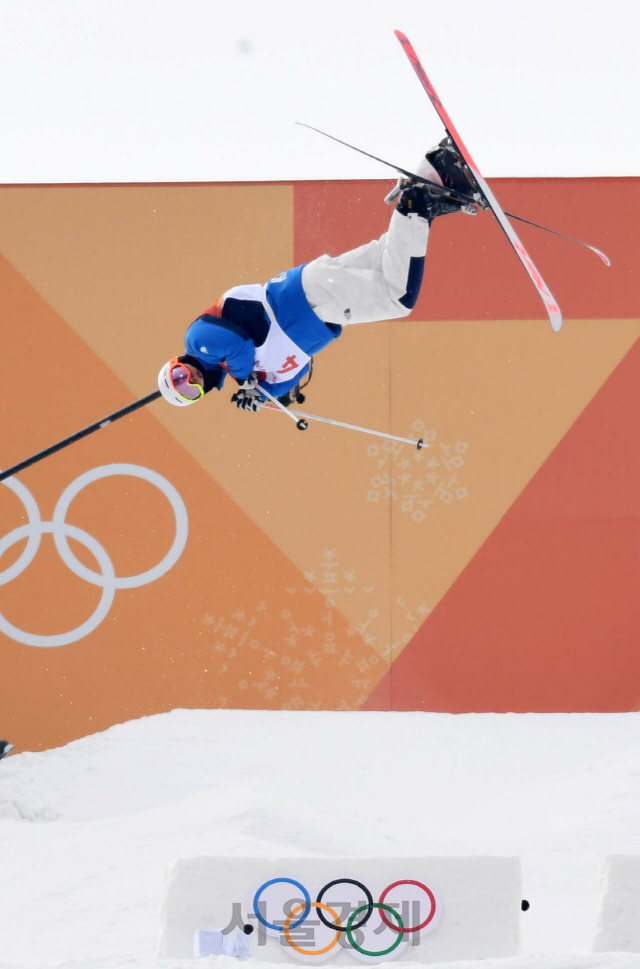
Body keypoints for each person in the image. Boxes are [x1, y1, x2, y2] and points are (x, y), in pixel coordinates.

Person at [157, 137, 480, 411]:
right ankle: (435, 172)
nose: (191, 381)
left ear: (177, 362)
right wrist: (272, 396)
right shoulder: (246, 371)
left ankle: (416, 201)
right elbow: (295, 369)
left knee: (398, 298)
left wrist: (246, 382)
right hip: (318, 295)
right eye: (189, 392)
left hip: (311, 301)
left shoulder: (199, 342)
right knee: (389, 254)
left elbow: (236, 341)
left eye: (179, 376)